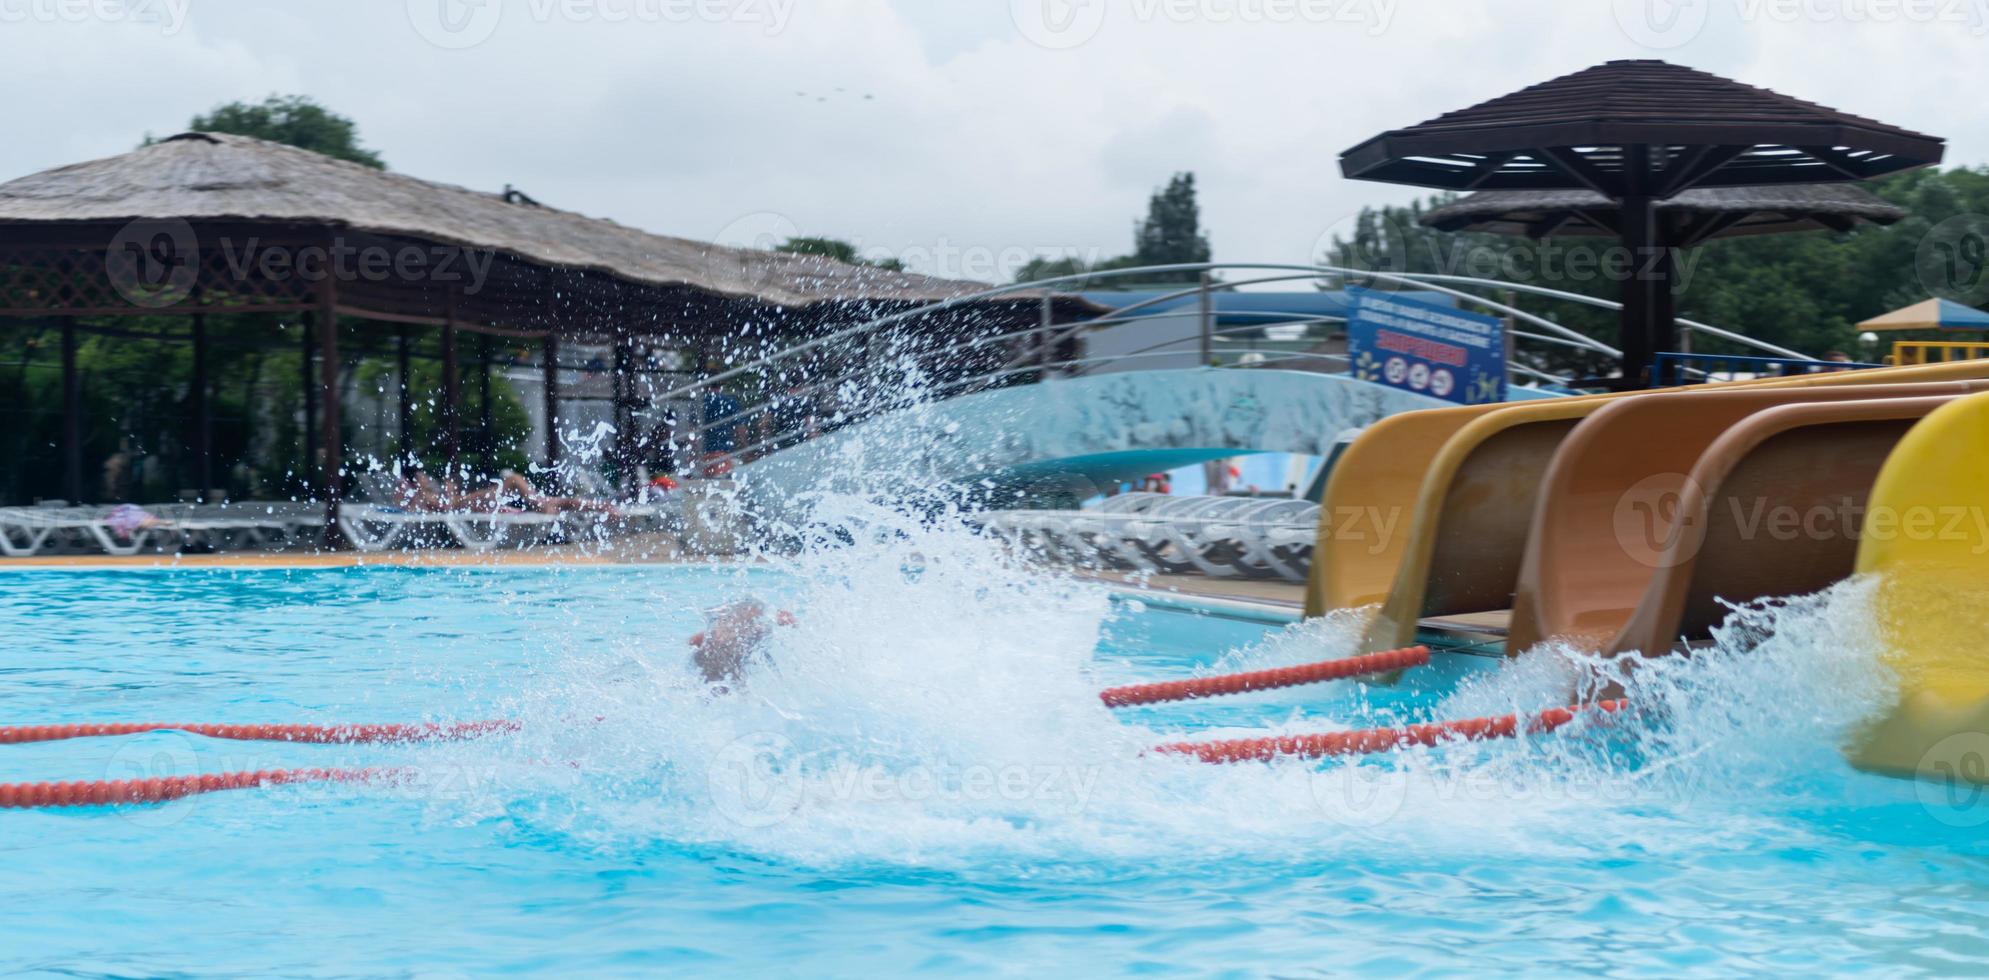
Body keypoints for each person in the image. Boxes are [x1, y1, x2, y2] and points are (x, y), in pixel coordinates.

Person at [687, 599, 796, 688]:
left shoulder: (755, 631)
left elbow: (693, 642)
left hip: (729, 659)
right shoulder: (710, 639)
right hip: (717, 660)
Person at [699, 384, 749, 477]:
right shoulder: (729, 402)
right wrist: (745, 447)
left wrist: (694, 454)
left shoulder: (699, 403)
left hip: (704, 454)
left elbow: (692, 430)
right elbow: (740, 428)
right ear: (721, 386)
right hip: (724, 452)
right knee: (723, 483)